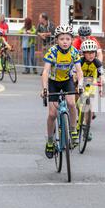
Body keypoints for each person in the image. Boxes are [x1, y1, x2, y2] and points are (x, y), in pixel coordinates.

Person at [41, 25, 84, 158]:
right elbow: (46, 72)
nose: (65, 41)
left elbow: (79, 71)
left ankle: (72, 130)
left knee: (71, 103)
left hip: (67, 81)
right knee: (52, 114)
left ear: (72, 40)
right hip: (53, 82)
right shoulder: (52, 52)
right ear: (57, 40)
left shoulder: (74, 52)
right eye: (61, 39)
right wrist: (44, 88)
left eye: (67, 39)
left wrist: (80, 85)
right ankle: (49, 140)